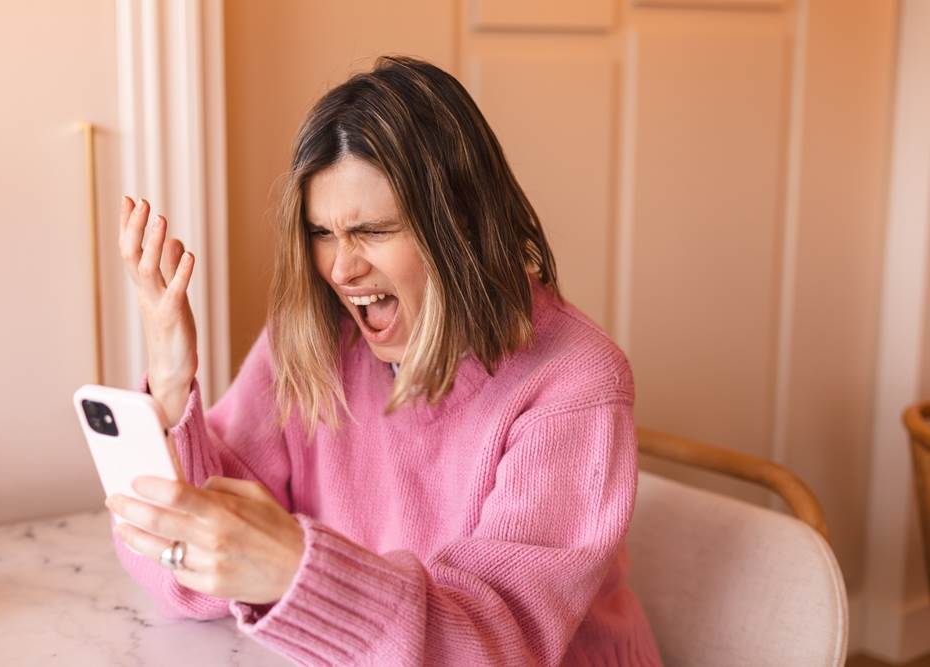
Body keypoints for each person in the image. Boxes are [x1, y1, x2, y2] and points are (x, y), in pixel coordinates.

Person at [106, 55, 663, 666]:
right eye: (322, 233)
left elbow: (498, 647)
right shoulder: (316, 340)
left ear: (462, 227)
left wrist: (293, 569)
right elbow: (181, 581)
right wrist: (170, 384)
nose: (342, 270)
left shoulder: (574, 380)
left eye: (373, 231)